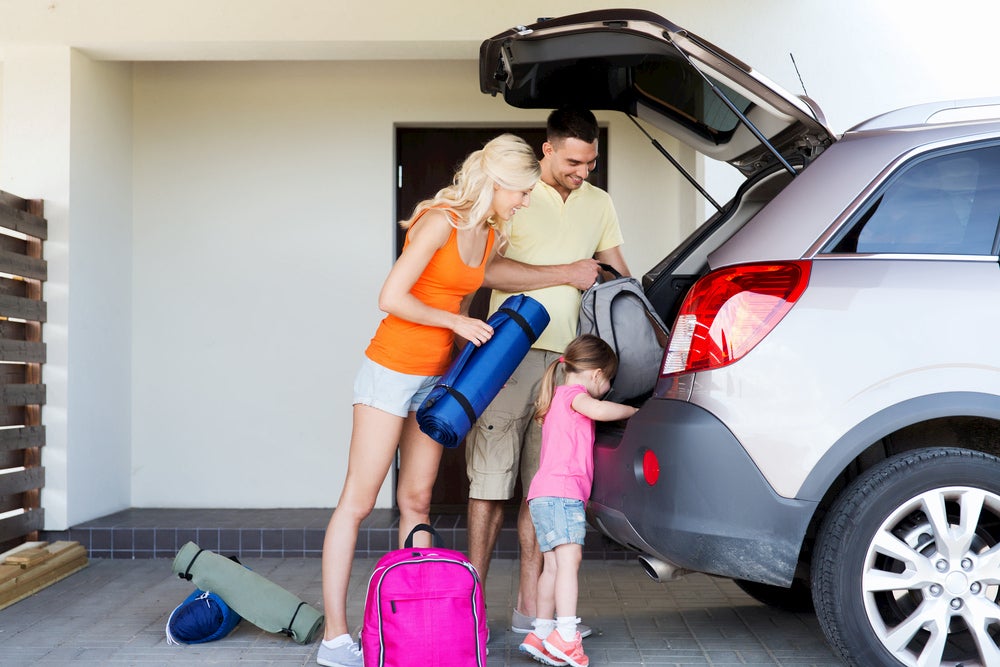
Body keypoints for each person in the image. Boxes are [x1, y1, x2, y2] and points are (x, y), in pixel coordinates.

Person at [316, 133, 541, 667]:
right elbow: (391, 297)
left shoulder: (488, 237)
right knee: (359, 502)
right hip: (391, 369)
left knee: (416, 501)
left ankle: (414, 624)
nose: (525, 202)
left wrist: (473, 355)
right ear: (499, 180)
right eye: (522, 192)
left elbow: (457, 300)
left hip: (435, 379)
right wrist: (457, 320)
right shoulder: (440, 219)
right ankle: (334, 637)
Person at [466, 108, 631, 638]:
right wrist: (565, 272)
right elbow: (485, 269)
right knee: (490, 485)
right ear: (548, 149)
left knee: (545, 490)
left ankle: (529, 613)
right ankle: (468, 610)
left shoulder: (599, 202)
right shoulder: (515, 194)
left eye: (591, 163)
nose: (583, 172)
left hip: (568, 369)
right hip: (508, 356)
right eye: (574, 162)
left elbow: (621, 274)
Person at [518, 334, 638, 667]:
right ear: (597, 374)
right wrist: (636, 411)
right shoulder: (576, 396)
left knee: (553, 567)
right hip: (563, 494)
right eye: (609, 380)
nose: (608, 386)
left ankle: (541, 633)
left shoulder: (555, 396)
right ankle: (567, 636)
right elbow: (599, 410)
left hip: (542, 495)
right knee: (570, 562)